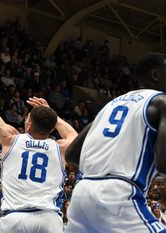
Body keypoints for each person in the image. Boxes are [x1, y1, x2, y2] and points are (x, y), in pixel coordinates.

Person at [0, 55, 77, 233]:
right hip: (49, 219)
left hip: (16, 217)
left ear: (29, 124)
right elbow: (74, 135)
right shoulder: (60, 147)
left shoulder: (11, 139)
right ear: (51, 128)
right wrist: (54, 117)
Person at [64, 52, 166, 233]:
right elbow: (163, 163)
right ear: (156, 75)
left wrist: (103, 167)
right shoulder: (161, 101)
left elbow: (71, 153)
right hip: (119, 195)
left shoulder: (110, 105)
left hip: (82, 193)